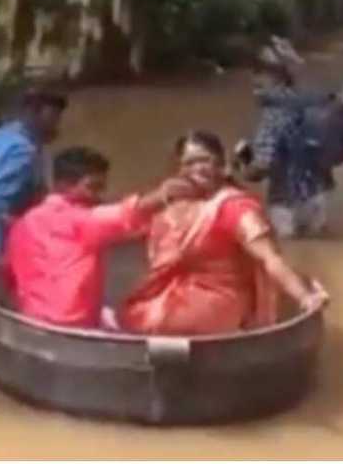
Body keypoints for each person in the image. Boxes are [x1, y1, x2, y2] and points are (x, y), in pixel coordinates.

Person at [120, 131, 329, 336]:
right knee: (135, 311)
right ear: (178, 171)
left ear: (221, 166)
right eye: (189, 163)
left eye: (204, 160)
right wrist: (157, 197)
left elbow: (270, 258)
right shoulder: (169, 205)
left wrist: (305, 297)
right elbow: (122, 223)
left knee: (151, 318)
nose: (197, 168)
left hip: (219, 300)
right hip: (171, 295)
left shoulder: (233, 206)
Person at [7, 147, 198, 328]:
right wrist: (163, 195)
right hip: (71, 326)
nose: (98, 196)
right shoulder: (78, 220)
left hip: (32, 321)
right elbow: (123, 214)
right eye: (92, 187)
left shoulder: (25, 222)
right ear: (64, 185)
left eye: (101, 188)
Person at [239, 42, 335, 238]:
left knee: (289, 250)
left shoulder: (273, 114)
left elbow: (262, 164)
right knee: (318, 245)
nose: (254, 77)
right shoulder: (313, 102)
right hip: (319, 192)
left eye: (259, 71)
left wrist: (242, 163)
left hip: (285, 200)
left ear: (276, 76)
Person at [0, 91, 68, 273]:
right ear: (33, 113)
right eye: (52, 119)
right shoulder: (23, 149)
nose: (55, 126)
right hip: (1, 248)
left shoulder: (0, 137)